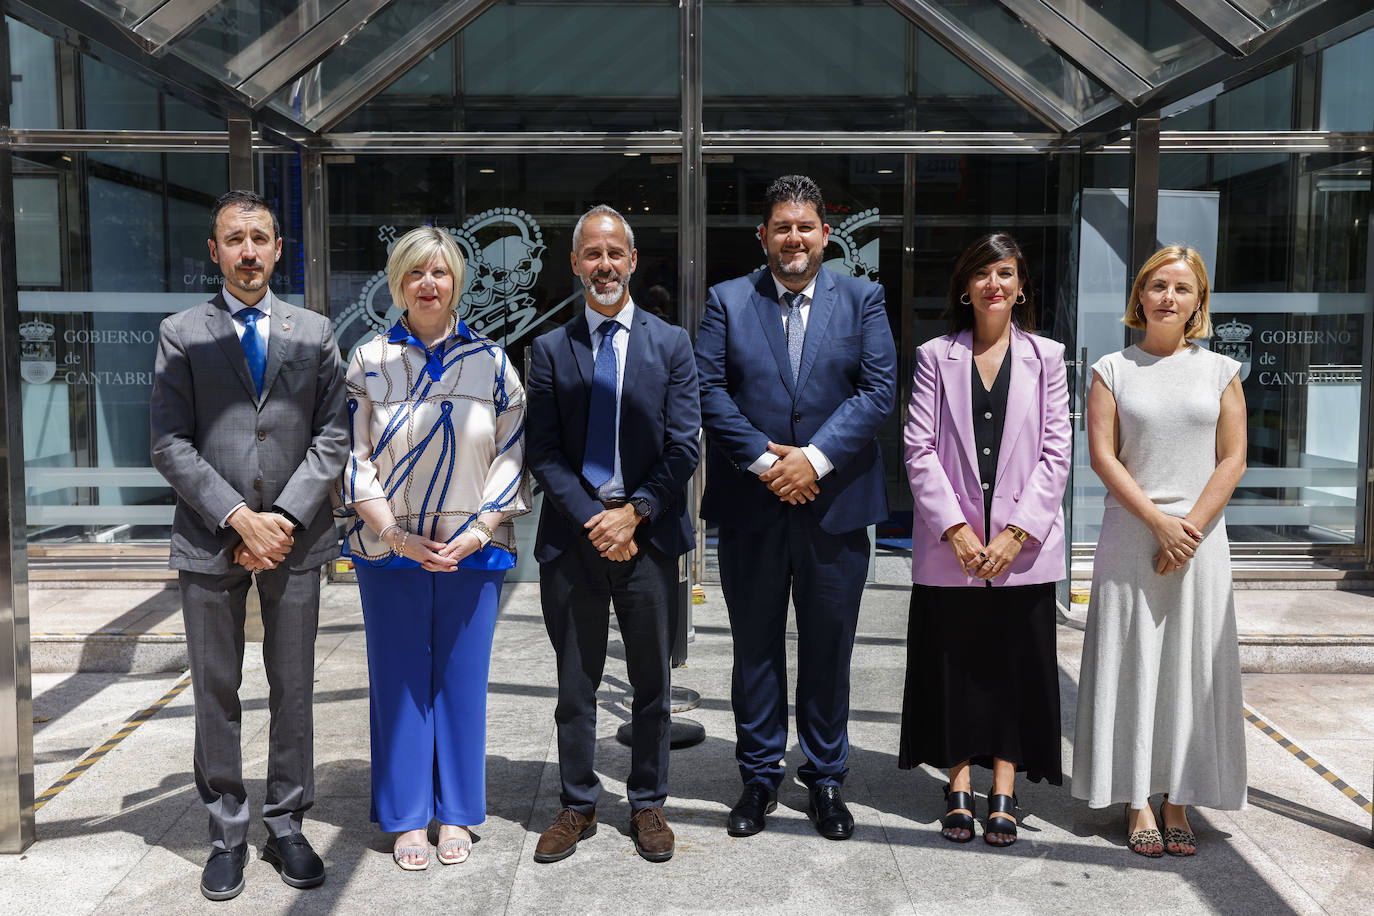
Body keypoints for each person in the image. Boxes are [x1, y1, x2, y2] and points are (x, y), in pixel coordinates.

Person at [150, 190, 349, 901]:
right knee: (217, 690)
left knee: (293, 686)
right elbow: (168, 443)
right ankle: (227, 831)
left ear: (278, 247)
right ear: (214, 251)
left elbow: (333, 437)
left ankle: (287, 823)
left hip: (294, 540)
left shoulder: (314, 331)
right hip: (210, 538)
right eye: (234, 239)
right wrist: (239, 517)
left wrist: (283, 520)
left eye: (260, 237)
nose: (249, 251)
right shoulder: (181, 332)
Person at [695, 174, 897, 841]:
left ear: (825, 236)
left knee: (829, 650)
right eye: (781, 227)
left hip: (833, 507)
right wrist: (766, 461)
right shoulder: (727, 301)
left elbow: (876, 392)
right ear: (763, 236)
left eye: (805, 226)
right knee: (753, 649)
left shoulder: (863, 299)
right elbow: (708, 390)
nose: (793, 238)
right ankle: (757, 777)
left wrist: (810, 461)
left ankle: (826, 778)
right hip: (752, 508)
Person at [338, 226, 531, 871]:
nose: (428, 284)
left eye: (439, 274)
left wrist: (474, 533)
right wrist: (396, 535)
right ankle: (405, 818)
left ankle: (456, 814)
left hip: (473, 553)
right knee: (397, 679)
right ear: (398, 283)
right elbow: (354, 458)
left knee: (459, 681)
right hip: (390, 551)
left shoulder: (493, 362)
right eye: (415, 273)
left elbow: (512, 454)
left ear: (456, 285)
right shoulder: (368, 362)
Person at [525, 205, 700, 864]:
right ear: (575, 265)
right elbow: (542, 452)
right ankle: (577, 804)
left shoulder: (671, 344)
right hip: (574, 542)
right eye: (591, 254)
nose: (603, 265)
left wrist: (637, 513)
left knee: (653, 686)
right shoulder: (548, 348)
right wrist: (599, 520)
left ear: (632, 261)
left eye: (614, 253)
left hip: (648, 539)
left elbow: (685, 445)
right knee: (576, 687)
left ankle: (648, 803)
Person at [1072, 244, 1248, 857]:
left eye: (1182, 289)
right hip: (1131, 536)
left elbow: (1233, 458)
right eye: (1158, 286)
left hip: (1201, 542)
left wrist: (1189, 529)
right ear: (1139, 296)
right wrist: (1158, 523)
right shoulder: (1112, 370)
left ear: (1198, 302)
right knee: (1132, 664)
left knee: (1188, 668)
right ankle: (1136, 799)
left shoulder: (1222, 371)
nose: (1168, 298)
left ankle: (1177, 795)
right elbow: (1102, 456)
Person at [900, 233, 1070, 847]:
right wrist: (959, 531)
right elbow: (918, 449)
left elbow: (1056, 453)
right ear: (965, 287)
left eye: (1005, 273)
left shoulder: (1048, 357)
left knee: (1012, 667)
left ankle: (1006, 785)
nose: (993, 284)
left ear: (1021, 286)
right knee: (956, 667)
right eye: (981, 274)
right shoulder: (933, 356)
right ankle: (959, 782)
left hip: (1022, 550)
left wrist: (1015, 533)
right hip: (954, 548)